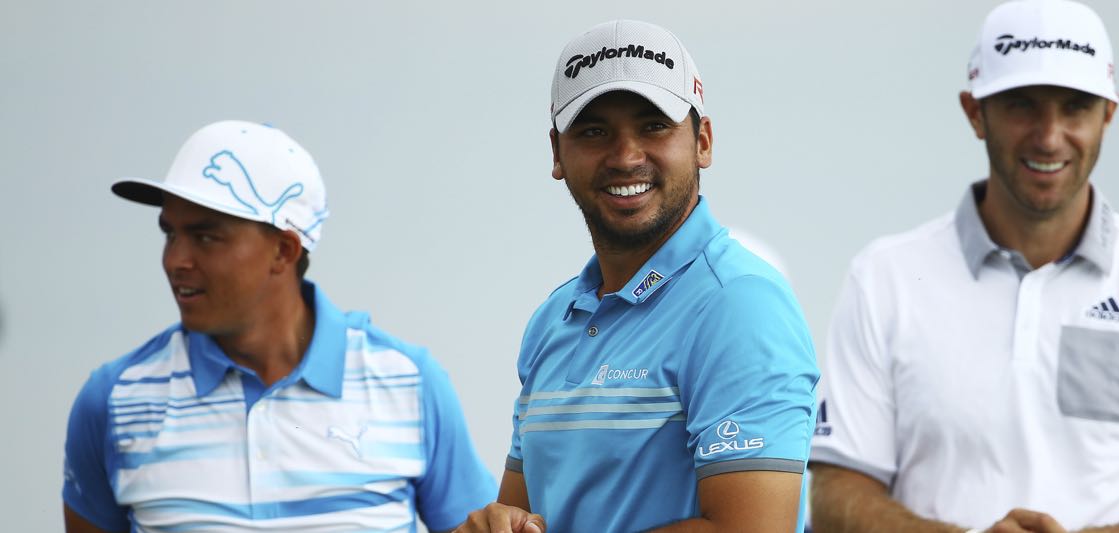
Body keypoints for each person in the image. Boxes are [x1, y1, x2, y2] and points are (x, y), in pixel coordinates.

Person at [809, 1, 1119, 532]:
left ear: (1108, 115)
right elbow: (836, 500)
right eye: (1021, 105)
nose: (1048, 135)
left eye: (1075, 107)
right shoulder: (883, 278)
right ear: (975, 113)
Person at [457, 20, 820, 533]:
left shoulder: (739, 304)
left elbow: (751, 530)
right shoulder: (552, 321)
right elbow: (527, 513)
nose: (626, 157)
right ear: (558, 153)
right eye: (595, 131)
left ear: (703, 142)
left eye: (654, 126)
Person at [62, 120, 496, 532]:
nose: (175, 260)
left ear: (284, 251)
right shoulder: (112, 400)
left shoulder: (410, 384)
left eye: (206, 237)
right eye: (170, 234)